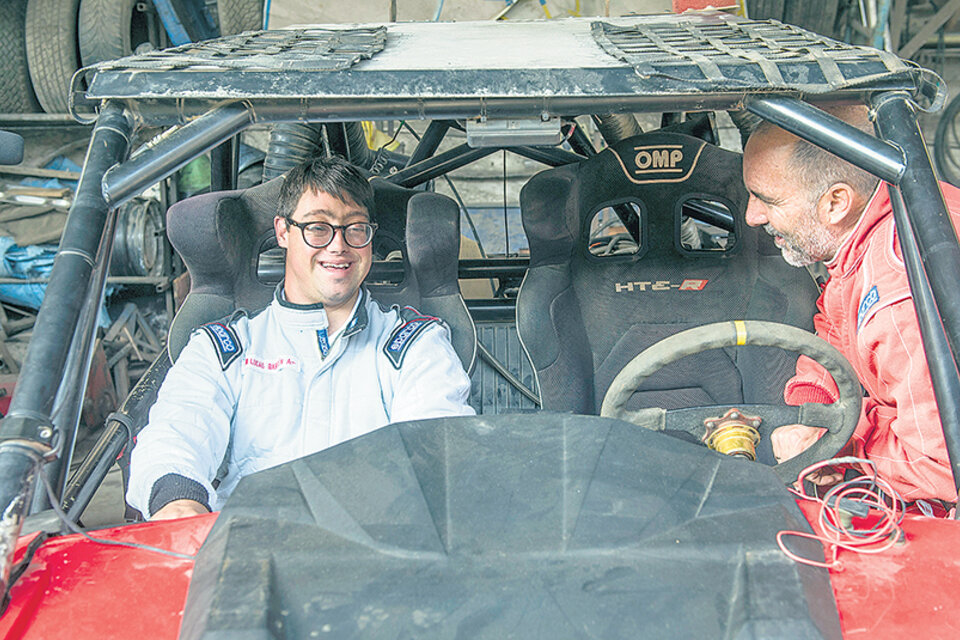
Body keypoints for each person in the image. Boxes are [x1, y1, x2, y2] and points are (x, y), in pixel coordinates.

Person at [127, 156, 474, 520]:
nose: (339, 245)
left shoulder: (416, 344)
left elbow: (437, 446)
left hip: (379, 554)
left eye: (355, 228)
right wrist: (179, 504)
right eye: (318, 227)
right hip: (248, 555)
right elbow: (176, 436)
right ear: (283, 231)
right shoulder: (222, 349)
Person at [742, 104, 960, 507]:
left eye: (766, 199)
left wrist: (844, 440)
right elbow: (836, 320)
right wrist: (814, 406)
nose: (752, 215)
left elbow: (942, 466)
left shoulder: (898, 301)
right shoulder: (893, 215)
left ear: (836, 202)